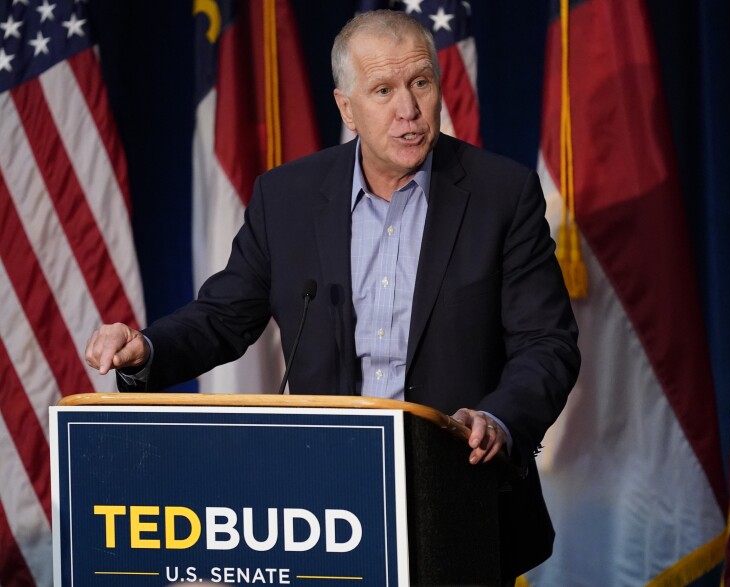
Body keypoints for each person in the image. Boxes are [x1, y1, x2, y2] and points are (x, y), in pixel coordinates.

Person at [84, 9, 579, 580]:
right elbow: (223, 316)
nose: (408, 110)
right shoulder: (287, 198)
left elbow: (547, 344)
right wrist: (145, 347)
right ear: (347, 107)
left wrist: (498, 418)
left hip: (459, 497)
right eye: (383, 90)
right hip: (325, 509)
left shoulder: (501, 194)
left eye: (421, 82)